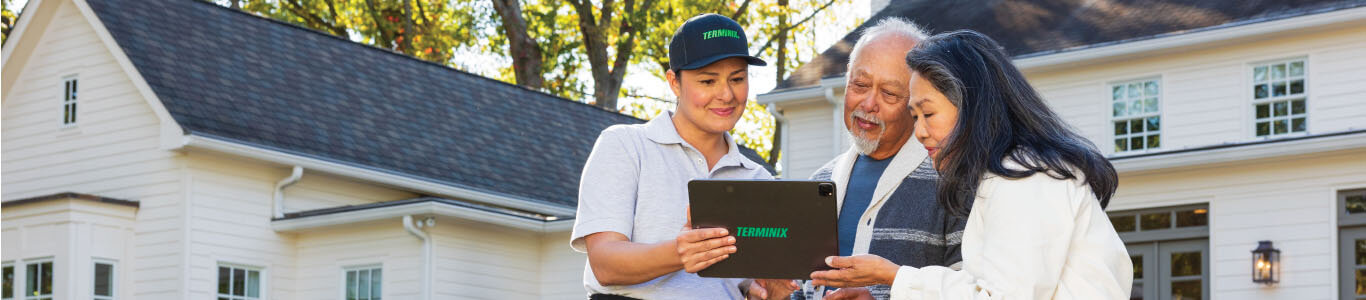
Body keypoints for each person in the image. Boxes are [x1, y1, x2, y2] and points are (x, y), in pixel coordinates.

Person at [807, 30, 1133, 299]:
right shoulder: (1003, 175)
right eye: (915, 116)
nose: (919, 132)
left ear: (971, 105)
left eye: (928, 114)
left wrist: (894, 276)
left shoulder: (1025, 175)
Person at [570, 13, 799, 300]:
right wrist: (680, 252)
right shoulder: (625, 146)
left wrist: (775, 294)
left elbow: (749, 287)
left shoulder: (759, 179)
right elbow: (604, 262)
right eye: (708, 81)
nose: (726, 94)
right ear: (674, 82)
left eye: (737, 78)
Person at [793, 17, 965, 300]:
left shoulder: (953, 180)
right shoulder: (820, 183)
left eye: (889, 93)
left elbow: (972, 290)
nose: (869, 103)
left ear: (917, 99)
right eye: (860, 85)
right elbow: (804, 290)